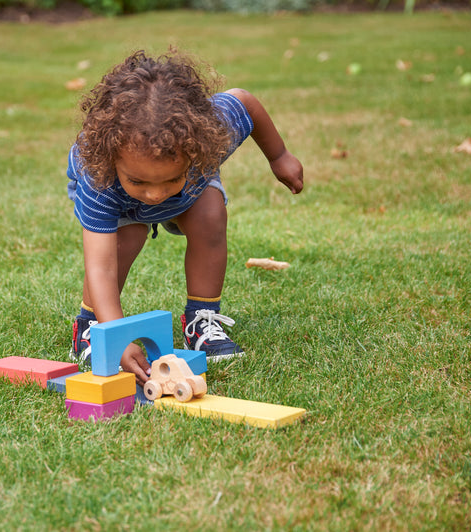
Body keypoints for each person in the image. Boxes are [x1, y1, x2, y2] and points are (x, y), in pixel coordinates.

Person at [66, 49, 303, 385]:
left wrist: (279, 156)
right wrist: (117, 336)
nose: (155, 193)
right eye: (140, 180)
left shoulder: (210, 128)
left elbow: (245, 102)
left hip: (192, 190)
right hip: (120, 203)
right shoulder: (99, 176)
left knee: (210, 213)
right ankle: (90, 327)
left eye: (168, 179)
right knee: (126, 240)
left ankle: (202, 319)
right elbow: (99, 266)